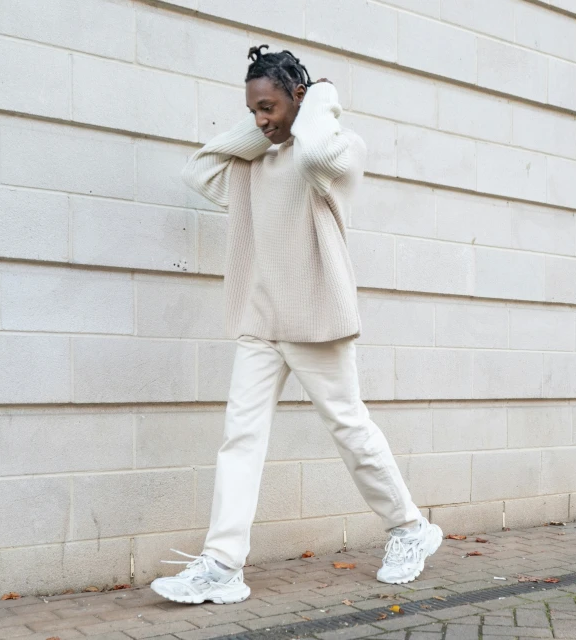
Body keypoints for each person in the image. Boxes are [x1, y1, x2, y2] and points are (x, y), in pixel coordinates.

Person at [150, 45, 442, 606]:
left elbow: (311, 154)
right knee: (240, 440)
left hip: (315, 319)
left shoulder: (337, 147)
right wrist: (265, 127)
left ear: (300, 98)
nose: (262, 119)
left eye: (270, 107)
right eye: (253, 110)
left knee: (349, 428)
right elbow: (198, 169)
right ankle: (222, 564)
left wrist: (320, 99)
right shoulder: (253, 161)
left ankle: (410, 529)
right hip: (261, 318)